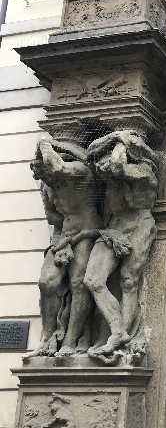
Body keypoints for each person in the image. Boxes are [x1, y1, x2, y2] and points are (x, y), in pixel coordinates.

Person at [83, 130, 159, 363]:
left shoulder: (145, 173)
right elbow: (90, 153)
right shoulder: (108, 168)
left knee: (128, 281)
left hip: (139, 225)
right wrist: (116, 136)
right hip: (112, 228)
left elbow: (118, 167)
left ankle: (121, 337)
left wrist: (120, 146)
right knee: (92, 280)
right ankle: (117, 330)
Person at [26, 137, 101, 357]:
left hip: (87, 231)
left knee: (79, 284)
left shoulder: (79, 171)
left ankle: (70, 341)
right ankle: (47, 337)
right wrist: (63, 242)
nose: (48, 182)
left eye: (48, 177)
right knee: (46, 282)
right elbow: (52, 216)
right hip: (63, 235)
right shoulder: (47, 185)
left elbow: (58, 167)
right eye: (43, 178)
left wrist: (42, 142)